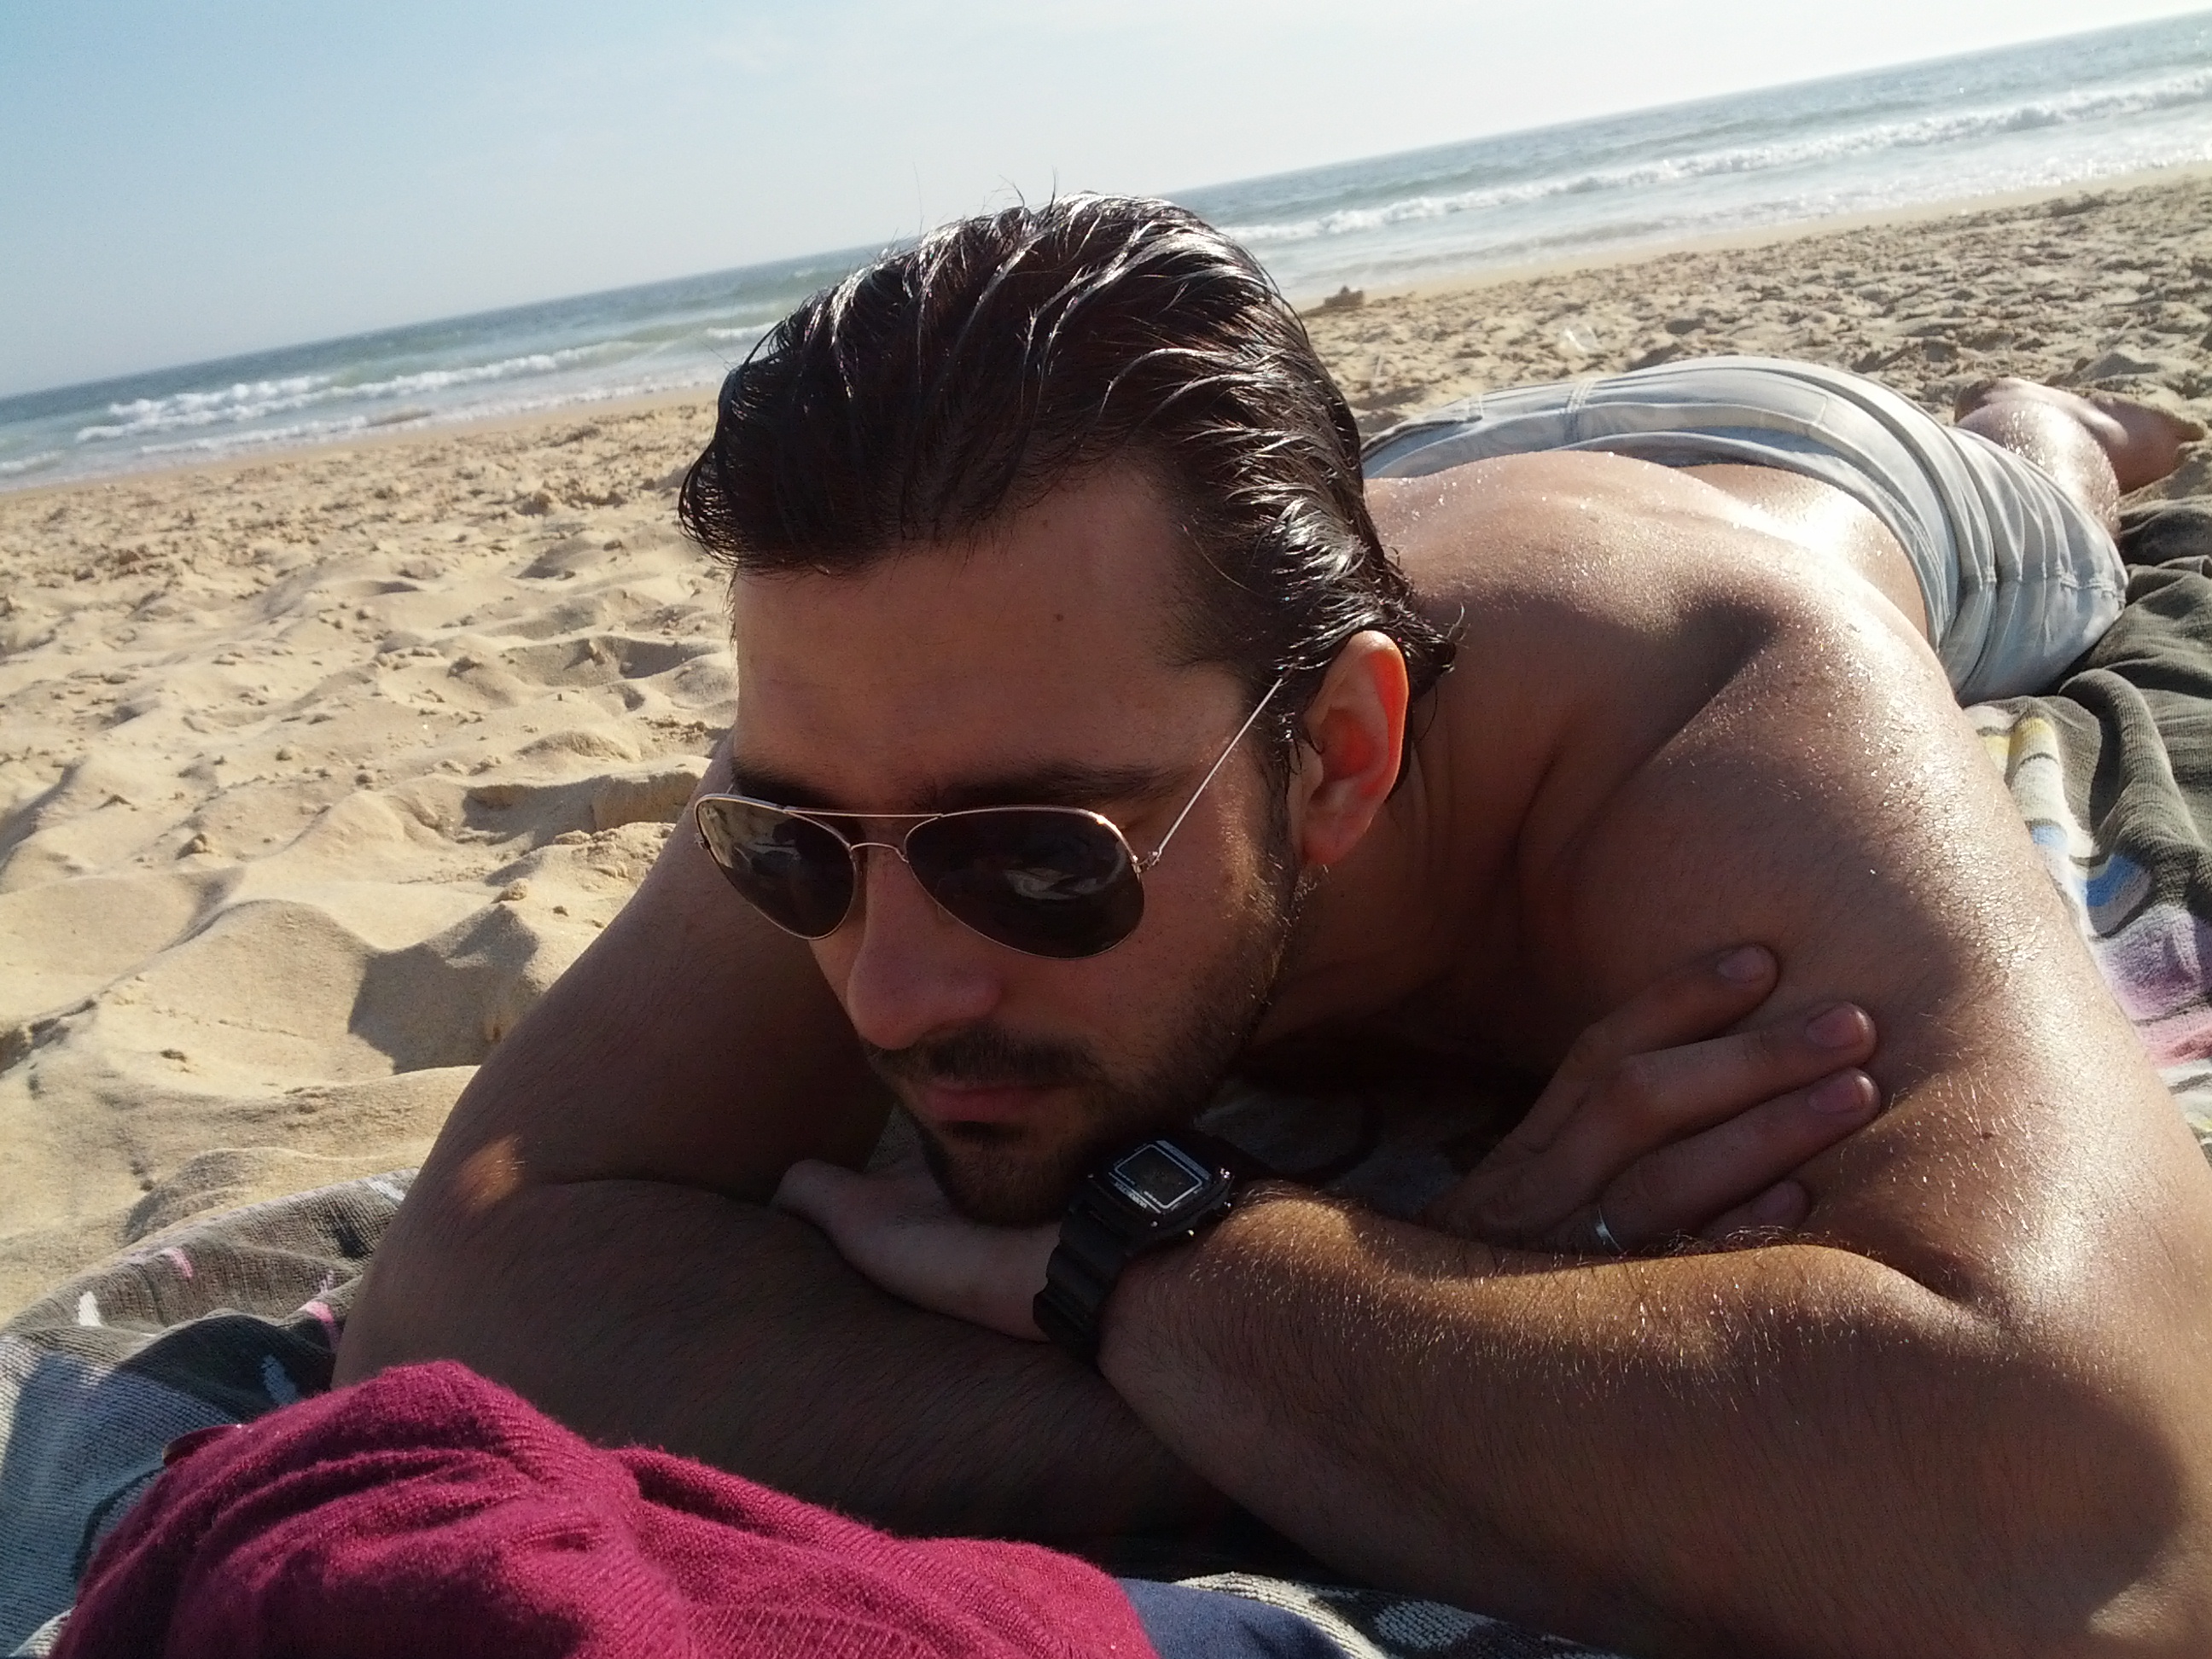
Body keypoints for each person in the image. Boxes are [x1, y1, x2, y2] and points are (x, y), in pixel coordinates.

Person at [338, 195, 2212, 1656]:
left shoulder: (1719, 695)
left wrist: (1152, 1270)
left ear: (1340, 755)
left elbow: (2100, 1521)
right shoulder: (926, 718)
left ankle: (2042, 423)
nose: (889, 989)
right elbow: (448, 1308)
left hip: (1804, 475)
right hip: (1408, 480)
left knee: (2054, 517)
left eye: (1039, 862)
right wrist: (1340, 1383)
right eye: (794, 854)